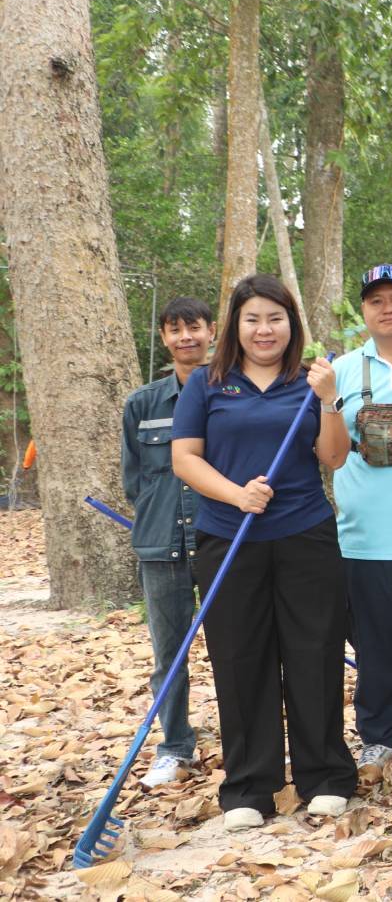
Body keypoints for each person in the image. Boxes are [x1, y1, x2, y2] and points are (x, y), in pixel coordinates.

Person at [170, 275, 356, 829]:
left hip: (305, 535)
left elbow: (335, 457)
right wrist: (237, 495)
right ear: (235, 326)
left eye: (274, 318)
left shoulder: (310, 381)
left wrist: (329, 401)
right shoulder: (208, 383)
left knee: (314, 651)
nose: (264, 329)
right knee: (240, 657)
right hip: (229, 537)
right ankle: (250, 786)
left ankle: (324, 776)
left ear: (290, 324)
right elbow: (185, 459)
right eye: (252, 319)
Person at [311, 265, 392, 772]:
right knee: (375, 649)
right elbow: (333, 456)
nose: (388, 307)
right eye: (375, 300)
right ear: (364, 311)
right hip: (364, 541)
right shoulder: (341, 370)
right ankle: (378, 735)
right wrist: (327, 402)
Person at [120, 296, 215, 787]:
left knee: (236, 648)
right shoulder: (142, 404)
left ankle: (244, 739)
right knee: (170, 654)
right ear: (163, 337)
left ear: (211, 331)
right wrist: (159, 521)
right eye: (175, 330)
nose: (186, 338)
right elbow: (135, 480)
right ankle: (176, 746)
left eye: (194, 328)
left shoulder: (229, 393)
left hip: (219, 542)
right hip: (162, 548)